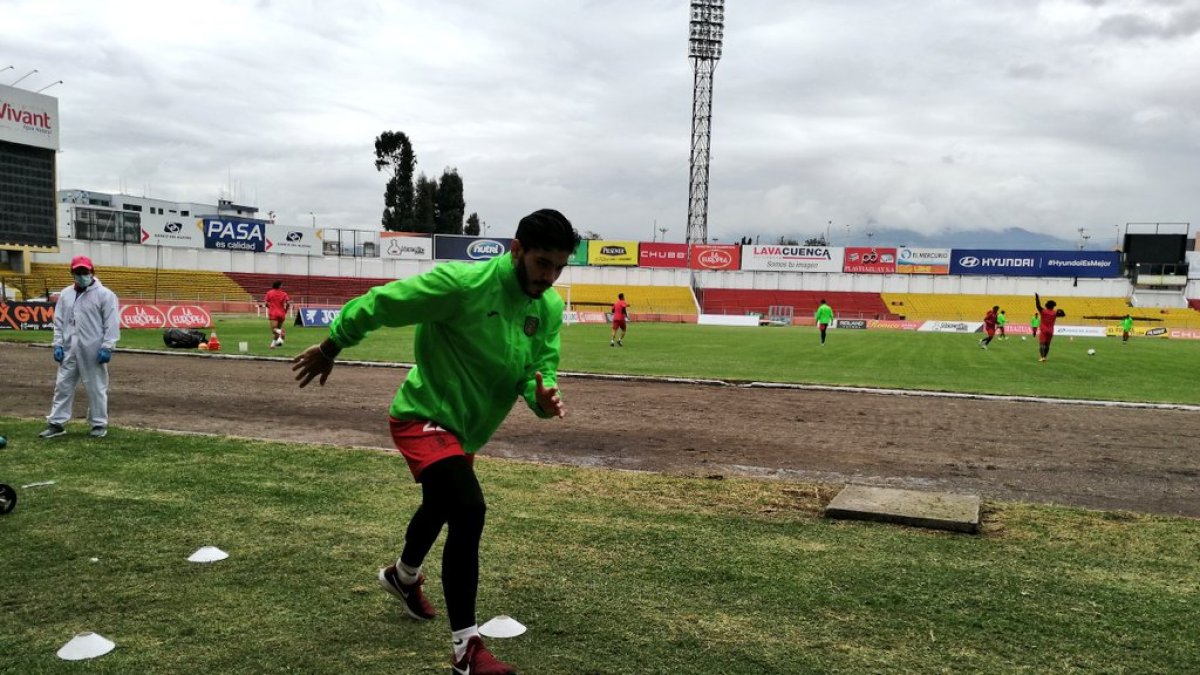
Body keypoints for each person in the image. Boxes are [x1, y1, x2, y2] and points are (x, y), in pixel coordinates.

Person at [291, 208, 580, 675]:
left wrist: (544, 396)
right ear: (517, 250)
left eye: (559, 268)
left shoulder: (546, 308)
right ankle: (467, 649)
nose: (549, 277)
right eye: (543, 263)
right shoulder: (461, 286)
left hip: (465, 429)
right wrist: (331, 346)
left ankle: (402, 576)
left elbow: (538, 369)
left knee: (442, 505)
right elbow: (383, 302)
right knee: (468, 507)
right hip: (421, 415)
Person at [39, 256, 120, 439]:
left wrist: (108, 346)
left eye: (85, 272)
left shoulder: (105, 295)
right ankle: (56, 423)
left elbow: (112, 322)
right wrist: (58, 344)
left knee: (96, 387)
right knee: (63, 385)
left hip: (93, 348)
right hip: (69, 348)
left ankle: (99, 423)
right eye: (78, 272)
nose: (82, 275)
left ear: (92, 272)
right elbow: (59, 321)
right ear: (72, 273)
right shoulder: (66, 294)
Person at [1034, 293, 1066, 362]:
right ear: (1053, 306)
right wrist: (1060, 310)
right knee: (1047, 344)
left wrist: (1037, 298)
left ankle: (1042, 357)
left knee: (1042, 344)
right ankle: (1045, 356)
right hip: (1050, 330)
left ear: (1046, 305)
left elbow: (1038, 306)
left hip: (1043, 330)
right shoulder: (1054, 313)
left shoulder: (1043, 311)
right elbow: (1063, 315)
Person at [264, 280, 291, 348]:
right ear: (279, 286)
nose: (282, 286)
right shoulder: (284, 294)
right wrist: (285, 310)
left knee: (274, 330)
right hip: (282, 313)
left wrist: (270, 307)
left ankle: (281, 332)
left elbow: (266, 303)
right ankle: (272, 345)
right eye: (282, 285)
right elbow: (288, 303)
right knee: (278, 329)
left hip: (273, 313)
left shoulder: (269, 293)